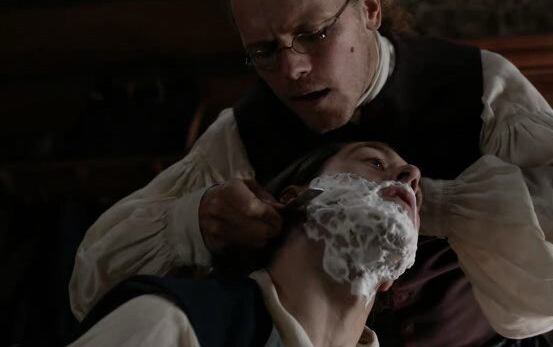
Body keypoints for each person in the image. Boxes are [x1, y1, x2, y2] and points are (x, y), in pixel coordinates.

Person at [69, 0, 553, 345]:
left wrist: (437, 205)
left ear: (370, 7)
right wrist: (195, 221)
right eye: (264, 51)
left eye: (314, 34)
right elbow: (93, 280)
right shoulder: (240, 133)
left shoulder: (475, 86)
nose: (292, 69)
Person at [68, 141, 423, 347]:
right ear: (297, 200)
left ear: (390, 278)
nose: (411, 176)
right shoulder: (171, 325)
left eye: (414, 192)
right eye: (375, 161)